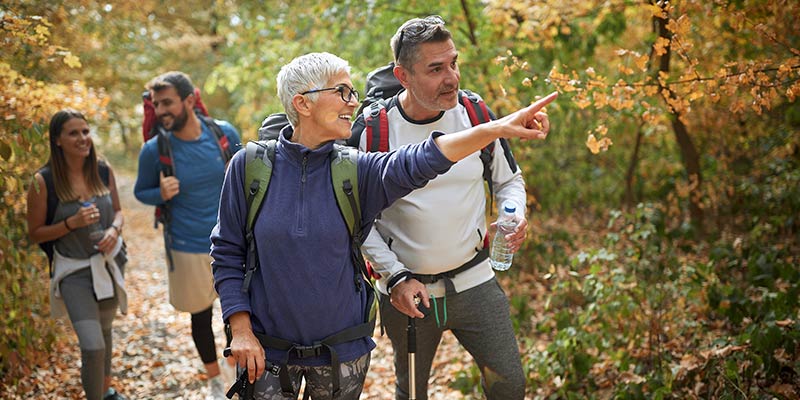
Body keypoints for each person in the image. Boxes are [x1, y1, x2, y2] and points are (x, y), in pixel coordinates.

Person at [210, 51, 554, 400]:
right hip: (266, 350)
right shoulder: (250, 167)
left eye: (353, 92)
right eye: (342, 91)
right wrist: (240, 329)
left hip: (342, 351)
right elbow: (227, 252)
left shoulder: (356, 170)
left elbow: (423, 159)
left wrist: (494, 128)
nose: (353, 102)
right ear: (303, 103)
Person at [349, 16, 529, 399]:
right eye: (435, 68)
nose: (452, 77)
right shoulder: (374, 131)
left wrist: (514, 213)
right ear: (403, 75)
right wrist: (394, 277)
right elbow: (356, 220)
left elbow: (508, 180)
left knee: (510, 385)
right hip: (408, 293)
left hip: (476, 281)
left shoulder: (476, 115)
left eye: (453, 63)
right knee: (411, 392)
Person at [133, 71, 241, 399]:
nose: (161, 110)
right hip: (187, 244)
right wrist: (160, 193)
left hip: (233, 242)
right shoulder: (154, 150)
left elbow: (247, 175)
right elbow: (141, 191)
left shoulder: (224, 134)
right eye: (156, 104)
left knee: (237, 313)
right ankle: (213, 382)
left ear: (190, 101)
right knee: (200, 315)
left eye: (167, 102)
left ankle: (237, 375)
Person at [27, 109, 127, 400]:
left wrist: (114, 231)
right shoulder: (43, 181)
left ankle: (105, 391)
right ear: (57, 140)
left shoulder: (103, 169)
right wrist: (71, 224)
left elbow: (119, 212)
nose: (83, 138)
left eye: (85, 131)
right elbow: (35, 233)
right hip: (73, 273)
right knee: (93, 345)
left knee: (106, 335)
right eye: (73, 133)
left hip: (107, 266)